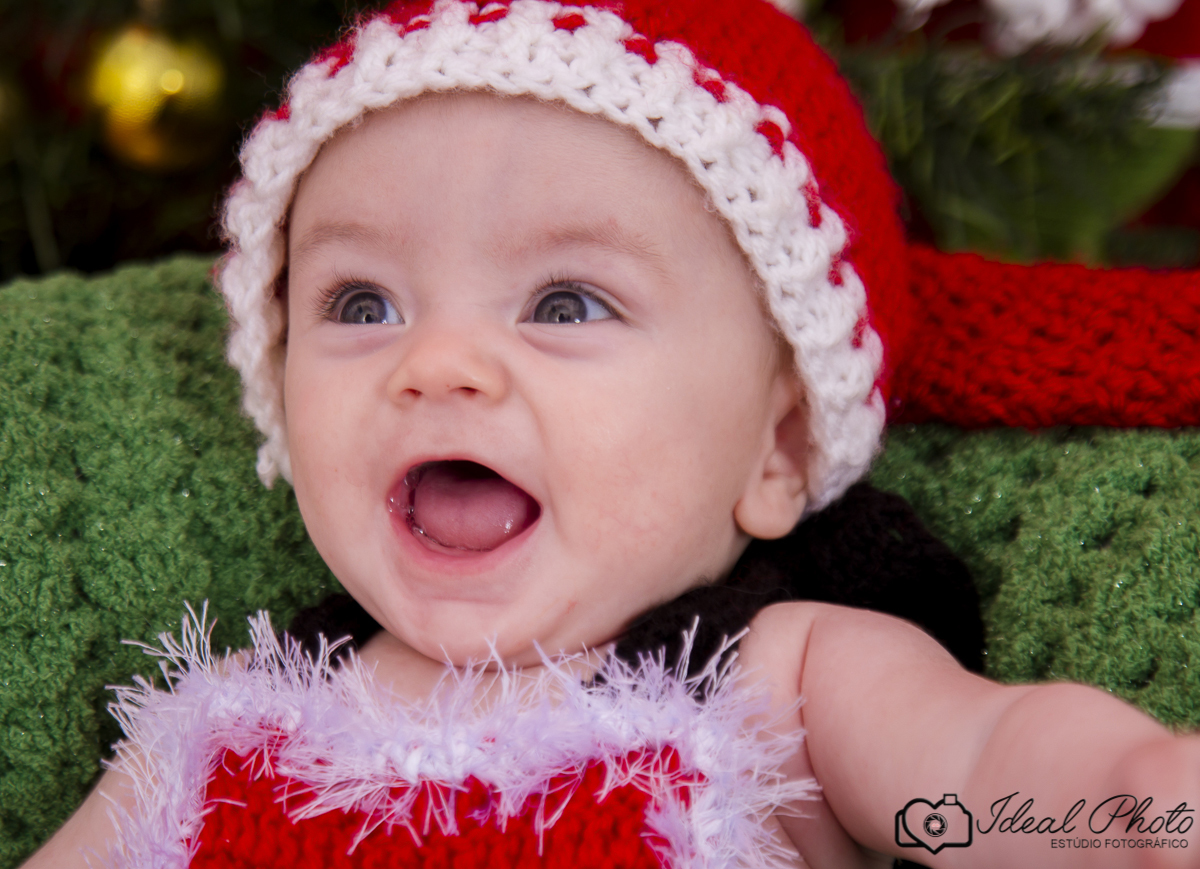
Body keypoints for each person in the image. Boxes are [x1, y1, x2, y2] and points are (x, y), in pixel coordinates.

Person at [22, 0, 1200, 867]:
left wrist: (1148, 803)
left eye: (565, 304)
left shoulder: (777, 681)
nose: (437, 364)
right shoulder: (224, 718)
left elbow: (991, 765)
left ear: (777, 451)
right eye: (361, 304)